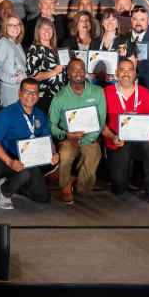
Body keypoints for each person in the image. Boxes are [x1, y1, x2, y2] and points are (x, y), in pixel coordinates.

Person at [0, 79, 60, 209]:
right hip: (4, 161)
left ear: (38, 95)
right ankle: (4, 191)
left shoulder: (40, 115)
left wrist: (54, 152)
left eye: (34, 92)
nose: (30, 96)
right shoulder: (6, 114)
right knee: (24, 174)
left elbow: (48, 140)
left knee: (43, 197)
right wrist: (9, 161)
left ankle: (13, 185)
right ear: (19, 93)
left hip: (29, 161)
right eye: (27, 92)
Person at [48, 59, 106, 204]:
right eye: (74, 69)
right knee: (65, 155)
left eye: (81, 69)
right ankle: (65, 185)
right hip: (68, 140)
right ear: (68, 73)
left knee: (84, 190)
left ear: (85, 71)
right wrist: (66, 135)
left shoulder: (98, 92)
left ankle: (72, 178)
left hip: (90, 139)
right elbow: (51, 125)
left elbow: (101, 122)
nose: (78, 73)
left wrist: (82, 141)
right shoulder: (59, 97)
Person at [102, 59, 149, 202]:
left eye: (130, 70)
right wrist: (112, 136)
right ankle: (126, 170)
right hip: (117, 141)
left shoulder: (145, 93)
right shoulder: (105, 93)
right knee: (119, 188)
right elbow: (100, 124)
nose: (126, 73)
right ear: (116, 73)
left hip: (140, 141)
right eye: (122, 70)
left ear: (135, 74)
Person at [26, 17, 66, 114]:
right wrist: (54, 72)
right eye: (43, 28)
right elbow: (32, 76)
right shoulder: (35, 49)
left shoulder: (55, 49)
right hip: (44, 97)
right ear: (38, 31)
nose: (47, 31)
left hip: (59, 96)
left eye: (49, 27)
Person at [90, 8, 138, 83]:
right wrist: (100, 77)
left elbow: (133, 68)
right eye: (107, 19)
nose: (110, 22)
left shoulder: (126, 41)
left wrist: (114, 77)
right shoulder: (94, 42)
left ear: (117, 22)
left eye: (113, 19)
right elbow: (90, 68)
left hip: (119, 83)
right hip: (97, 84)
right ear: (102, 22)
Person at [0, 15, 29, 108]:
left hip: (19, 90)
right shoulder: (3, 43)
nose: (15, 28)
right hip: (9, 93)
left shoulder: (17, 43)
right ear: (5, 27)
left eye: (17, 24)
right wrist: (14, 80)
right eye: (11, 25)